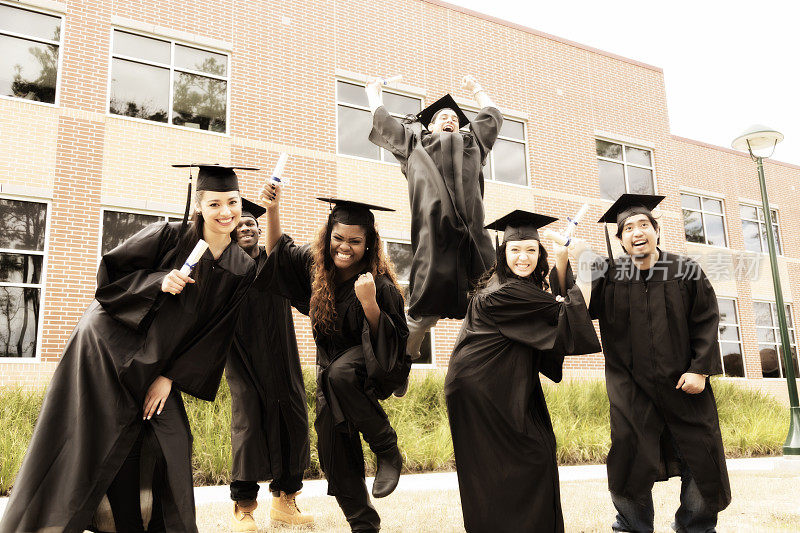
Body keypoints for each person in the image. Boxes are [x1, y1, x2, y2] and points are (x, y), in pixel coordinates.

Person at [0, 165, 257, 533]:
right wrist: (158, 281)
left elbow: (217, 332)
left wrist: (169, 376)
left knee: (171, 437)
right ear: (198, 205)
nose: (225, 212)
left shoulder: (241, 266)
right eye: (214, 203)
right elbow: (109, 278)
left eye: (231, 202)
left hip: (159, 360)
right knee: (103, 432)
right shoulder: (167, 237)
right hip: (108, 348)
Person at [551, 194, 731, 533]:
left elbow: (706, 319)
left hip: (684, 384)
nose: (637, 232)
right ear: (619, 240)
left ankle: (696, 527)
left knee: (701, 459)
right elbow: (571, 301)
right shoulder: (607, 274)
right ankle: (632, 527)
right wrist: (564, 260)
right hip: (630, 387)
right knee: (628, 461)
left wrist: (700, 369)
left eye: (644, 225)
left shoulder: (686, 270)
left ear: (657, 231)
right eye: (628, 228)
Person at [258, 183, 410, 533]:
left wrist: (370, 302)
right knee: (333, 455)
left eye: (355, 241)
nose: (345, 247)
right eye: (339, 238)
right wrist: (273, 211)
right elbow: (279, 255)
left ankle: (386, 447)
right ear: (329, 236)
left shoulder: (381, 284)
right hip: (331, 375)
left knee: (341, 373)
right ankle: (364, 525)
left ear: (369, 243)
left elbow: (393, 346)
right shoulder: (318, 271)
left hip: (367, 371)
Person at [444, 210, 600, 533]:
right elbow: (563, 315)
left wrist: (560, 261)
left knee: (513, 464)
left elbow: (548, 308)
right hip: (486, 391)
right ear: (503, 253)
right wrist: (583, 261)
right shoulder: (506, 291)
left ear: (538, 252)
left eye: (531, 249)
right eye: (515, 250)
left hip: (497, 383)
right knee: (529, 458)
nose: (523, 257)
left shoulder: (508, 285)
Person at [366, 75, 501, 379]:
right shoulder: (414, 143)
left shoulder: (473, 144)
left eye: (455, 117)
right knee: (420, 313)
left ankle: (490, 372)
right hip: (433, 238)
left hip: (474, 240)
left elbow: (492, 117)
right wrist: (373, 94)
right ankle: (402, 365)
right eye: (443, 117)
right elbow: (385, 124)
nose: (450, 119)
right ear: (430, 125)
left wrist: (478, 90)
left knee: (491, 301)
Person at [225, 199, 313, 531]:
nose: (246, 228)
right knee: (247, 424)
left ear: (260, 231)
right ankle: (245, 506)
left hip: (282, 357)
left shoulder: (276, 263)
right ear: (231, 231)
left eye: (252, 224)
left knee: (291, 420)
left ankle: (285, 502)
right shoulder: (224, 265)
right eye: (240, 225)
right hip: (243, 359)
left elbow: (307, 297)